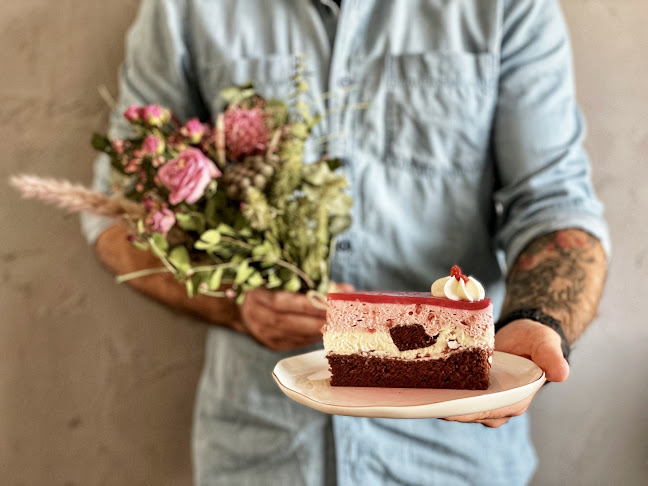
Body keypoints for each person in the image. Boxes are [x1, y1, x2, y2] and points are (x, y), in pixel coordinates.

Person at [82, 1, 609, 484]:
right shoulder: (186, 9)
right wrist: (234, 305)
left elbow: (553, 204)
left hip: (452, 456)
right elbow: (117, 216)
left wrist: (539, 319)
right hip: (262, 452)